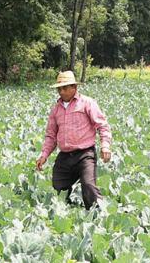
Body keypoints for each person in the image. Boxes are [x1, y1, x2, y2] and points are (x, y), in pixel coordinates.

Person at [36, 70, 112, 208]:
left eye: (65, 88)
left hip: (85, 154)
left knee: (89, 186)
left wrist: (105, 145)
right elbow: (51, 136)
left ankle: (100, 214)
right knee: (58, 187)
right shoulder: (56, 110)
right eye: (59, 88)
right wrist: (44, 155)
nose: (61, 91)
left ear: (74, 88)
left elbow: (102, 125)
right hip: (65, 156)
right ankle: (68, 212)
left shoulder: (87, 103)